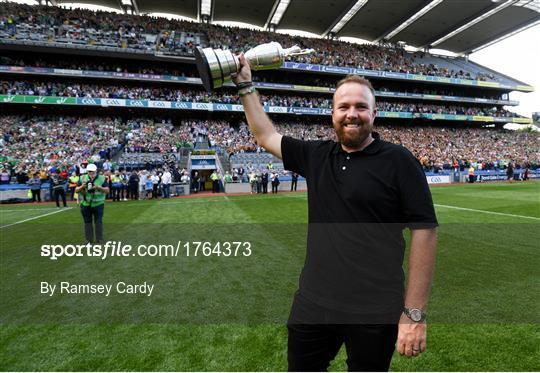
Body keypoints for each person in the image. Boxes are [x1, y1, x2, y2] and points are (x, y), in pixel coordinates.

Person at [233, 55, 438, 372]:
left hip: (375, 309)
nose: (351, 114)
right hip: (313, 304)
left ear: (374, 114)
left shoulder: (399, 161)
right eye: (343, 107)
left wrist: (415, 313)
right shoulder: (316, 155)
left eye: (360, 106)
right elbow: (265, 135)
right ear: (333, 114)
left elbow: (424, 231)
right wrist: (246, 84)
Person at [75, 163, 109, 244]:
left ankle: (99, 239)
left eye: (93, 172)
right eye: (90, 172)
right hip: (86, 204)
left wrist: (98, 187)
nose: (91, 174)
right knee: (87, 222)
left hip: (98, 204)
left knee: (98, 222)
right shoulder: (82, 178)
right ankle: (88, 239)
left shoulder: (102, 178)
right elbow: (76, 190)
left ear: (96, 171)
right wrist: (82, 186)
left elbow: (107, 190)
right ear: (87, 171)